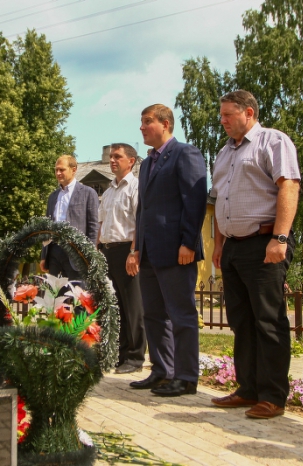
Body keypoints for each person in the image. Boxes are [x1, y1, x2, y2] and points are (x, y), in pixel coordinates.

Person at [209, 90, 300, 419]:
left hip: (265, 243)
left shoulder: (273, 141)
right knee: (242, 322)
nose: (223, 121)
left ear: (248, 113)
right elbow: (219, 200)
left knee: (268, 321)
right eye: (221, 115)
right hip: (233, 247)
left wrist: (280, 238)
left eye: (228, 115)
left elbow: (289, 186)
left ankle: (273, 397)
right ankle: (248, 389)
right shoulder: (223, 153)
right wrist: (219, 244)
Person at [127, 104, 206, 397]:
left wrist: (188, 242)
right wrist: (137, 248)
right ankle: (162, 371)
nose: (142, 127)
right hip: (149, 251)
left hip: (176, 250)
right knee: (153, 314)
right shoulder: (146, 163)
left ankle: (186, 377)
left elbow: (194, 201)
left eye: (147, 121)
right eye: (141, 121)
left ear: (165, 124)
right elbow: (143, 210)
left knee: (181, 314)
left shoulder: (186, 154)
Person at [97, 143, 147, 375]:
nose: (112, 160)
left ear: (131, 161)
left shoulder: (136, 188)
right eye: (111, 157)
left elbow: (139, 223)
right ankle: (120, 353)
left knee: (133, 306)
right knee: (115, 306)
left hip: (127, 250)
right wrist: (97, 250)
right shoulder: (108, 192)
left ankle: (136, 357)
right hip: (107, 251)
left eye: (117, 157)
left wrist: (134, 252)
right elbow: (101, 224)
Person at [40, 155, 99, 280]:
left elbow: (94, 226)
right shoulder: (53, 196)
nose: (58, 173)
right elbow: (46, 228)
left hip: (76, 253)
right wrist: (44, 256)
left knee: (76, 290)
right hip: (54, 251)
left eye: (62, 170)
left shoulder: (88, 193)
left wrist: (90, 255)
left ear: (74, 169)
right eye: (56, 170)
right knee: (54, 291)